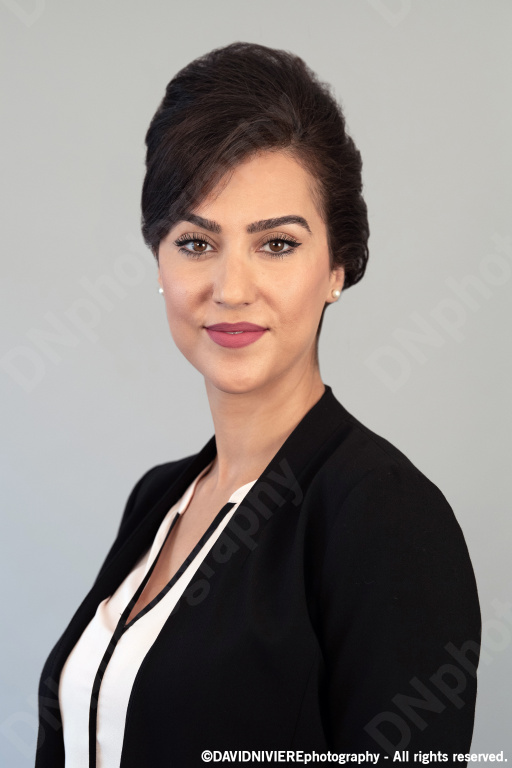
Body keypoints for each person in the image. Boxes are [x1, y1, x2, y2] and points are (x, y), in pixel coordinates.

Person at [35, 42, 481, 768]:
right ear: (159, 262)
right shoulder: (158, 499)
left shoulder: (385, 516)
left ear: (337, 267)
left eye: (276, 244)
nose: (231, 288)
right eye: (195, 242)